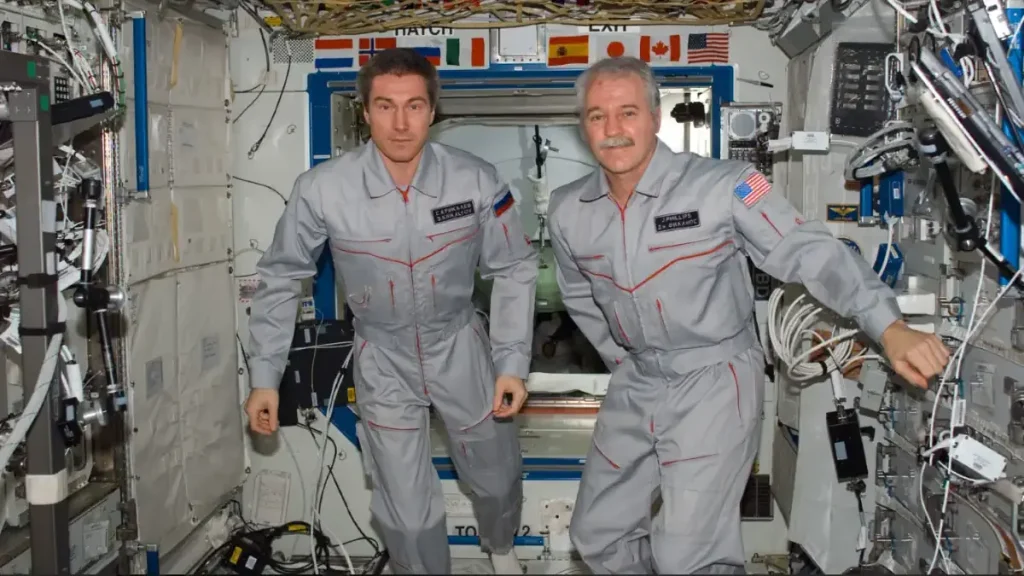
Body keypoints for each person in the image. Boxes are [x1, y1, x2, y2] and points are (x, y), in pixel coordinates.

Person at [548, 56, 950, 574]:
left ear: (654, 116)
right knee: (598, 533)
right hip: (637, 379)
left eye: (627, 112)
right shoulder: (568, 209)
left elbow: (809, 251)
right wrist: (623, 361)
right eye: (597, 116)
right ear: (582, 126)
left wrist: (887, 325)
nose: (613, 129)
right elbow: (580, 296)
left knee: (687, 556)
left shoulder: (725, 185)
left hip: (714, 380)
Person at [242, 48, 538, 575]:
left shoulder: (475, 180)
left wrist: (511, 362)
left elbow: (514, 267)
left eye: (414, 106)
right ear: (365, 111)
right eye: (385, 106)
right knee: (405, 511)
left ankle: (499, 544)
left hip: (459, 346)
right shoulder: (323, 189)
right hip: (383, 357)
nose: (400, 124)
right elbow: (282, 276)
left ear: (433, 110)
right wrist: (265, 377)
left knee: (496, 476)